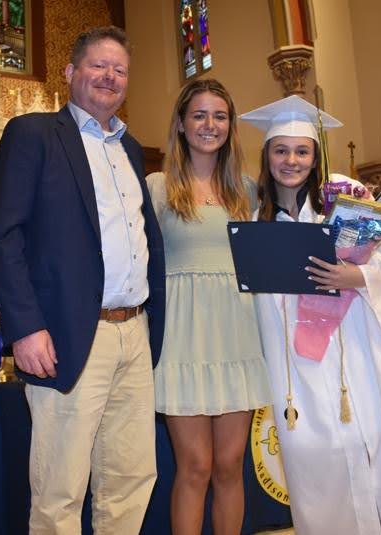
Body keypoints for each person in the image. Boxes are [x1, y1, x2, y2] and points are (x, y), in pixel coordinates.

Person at [239, 95, 381, 534]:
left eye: (302, 151)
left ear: (315, 156)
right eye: (281, 150)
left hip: (357, 357)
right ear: (266, 156)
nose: (291, 161)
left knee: (375, 447)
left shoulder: (342, 198)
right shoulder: (253, 215)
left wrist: (356, 276)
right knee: (314, 464)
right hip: (294, 369)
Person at [0, 26, 165, 533]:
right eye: (98, 65)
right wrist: (25, 327)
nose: (110, 76)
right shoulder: (34, 134)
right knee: (60, 489)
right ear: (70, 72)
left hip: (135, 332)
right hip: (69, 335)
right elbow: (2, 236)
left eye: (120, 69)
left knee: (130, 478)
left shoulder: (131, 150)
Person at [146, 78, 271, 534]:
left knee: (230, 464)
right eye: (199, 115)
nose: (209, 124)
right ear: (181, 123)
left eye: (219, 116)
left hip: (236, 334)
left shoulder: (248, 191)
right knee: (195, 465)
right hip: (183, 338)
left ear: (230, 126)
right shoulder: (158, 188)